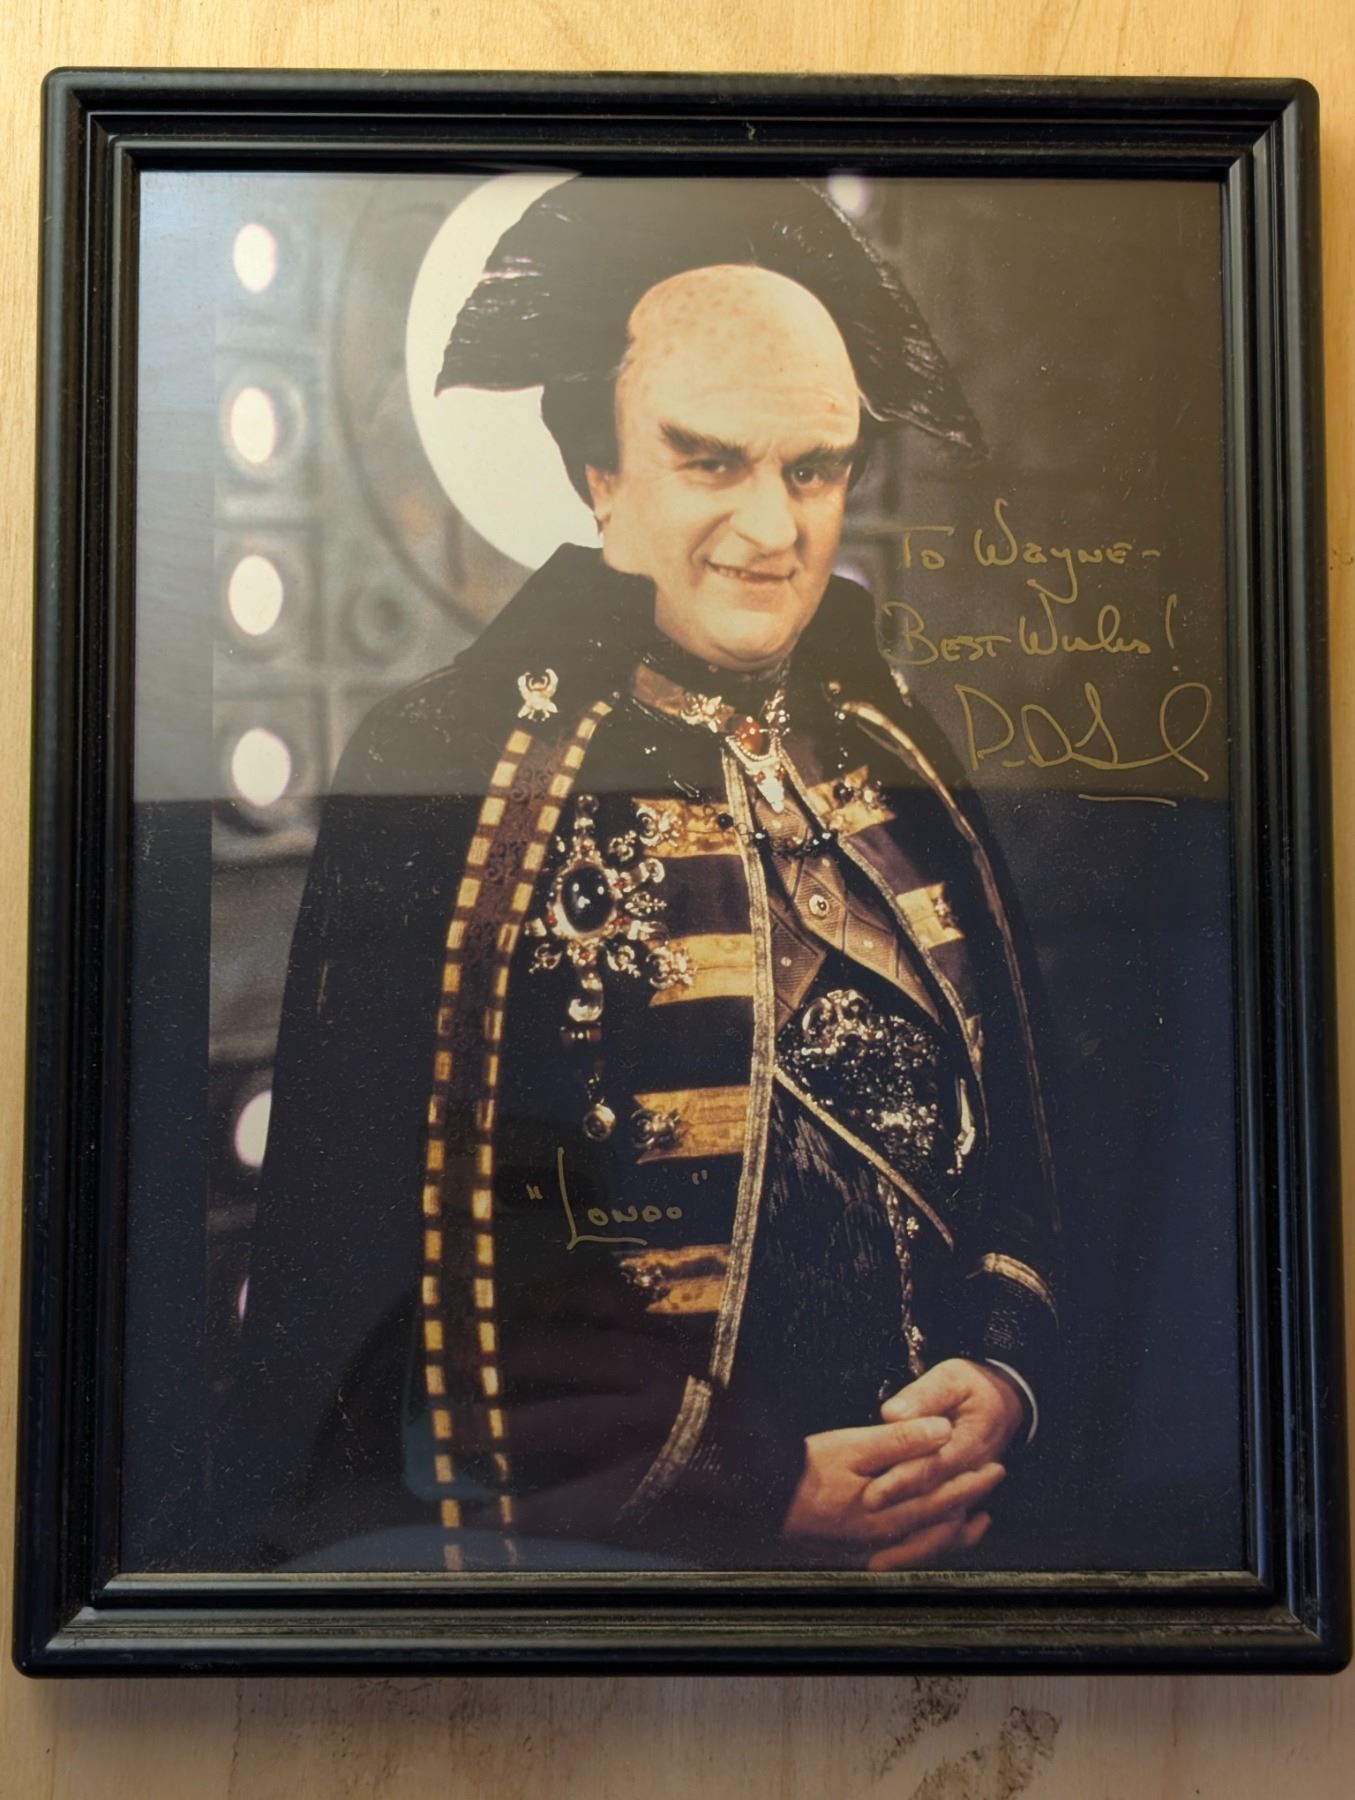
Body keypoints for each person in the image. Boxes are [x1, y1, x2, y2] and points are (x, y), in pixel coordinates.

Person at [216, 178, 1058, 1573]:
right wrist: (756, 1488)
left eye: (814, 470)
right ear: (598, 471)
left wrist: (1003, 1374)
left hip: (960, 1537)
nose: (773, 531)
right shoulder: (447, 763)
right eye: (710, 462)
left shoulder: (893, 740)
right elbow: (425, 1272)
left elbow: (1016, 1144)